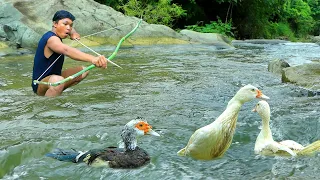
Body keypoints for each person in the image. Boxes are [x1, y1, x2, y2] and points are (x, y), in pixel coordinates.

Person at [31, 10, 107, 97]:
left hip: (55, 78)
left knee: (83, 71)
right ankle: (48, 106)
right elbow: (67, 50)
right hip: (40, 84)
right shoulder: (51, 39)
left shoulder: (60, 32)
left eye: (71, 26)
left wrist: (73, 33)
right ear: (55, 24)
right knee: (57, 81)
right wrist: (93, 59)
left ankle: (55, 91)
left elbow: (68, 27)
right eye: (65, 24)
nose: (68, 28)